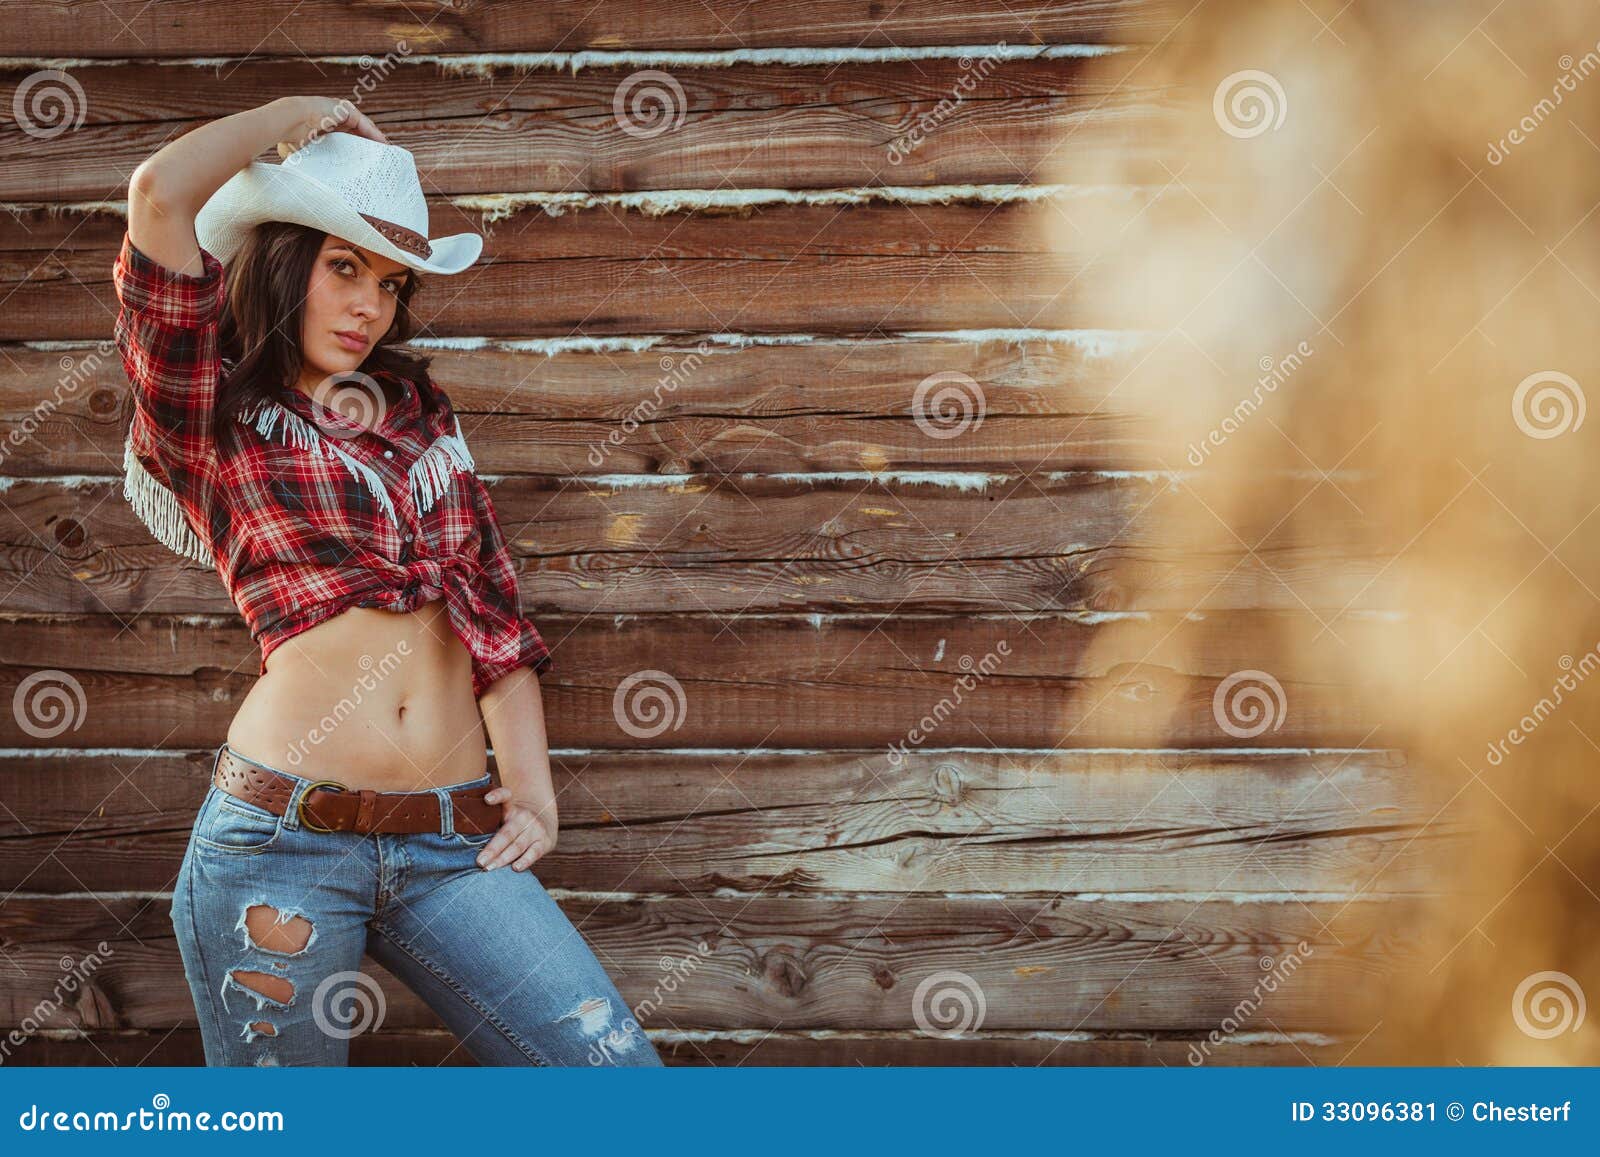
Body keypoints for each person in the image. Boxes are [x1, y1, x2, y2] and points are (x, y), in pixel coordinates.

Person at [117, 95, 663, 1067]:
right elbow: (158, 195)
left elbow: (489, 603)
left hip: (453, 845)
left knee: (614, 1077)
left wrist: (533, 790)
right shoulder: (211, 409)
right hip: (277, 843)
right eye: (343, 267)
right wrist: (293, 115)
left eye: (390, 281)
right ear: (285, 258)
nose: (369, 304)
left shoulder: (417, 406)